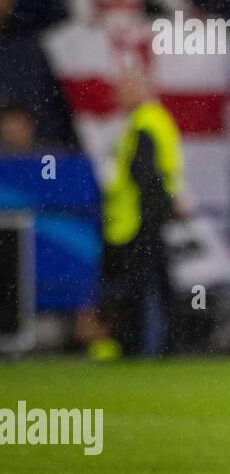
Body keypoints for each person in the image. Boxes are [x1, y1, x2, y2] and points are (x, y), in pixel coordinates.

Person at [92, 69, 183, 359]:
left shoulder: (145, 123)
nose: (118, 94)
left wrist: (151, 215)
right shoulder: (148, 122)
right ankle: (169, 345)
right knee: (157, 284)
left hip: (139, 220)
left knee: (136, 287)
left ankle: (132, 346)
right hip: (142, 217)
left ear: (143, 90)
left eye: (126, 88)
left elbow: (145, 176)